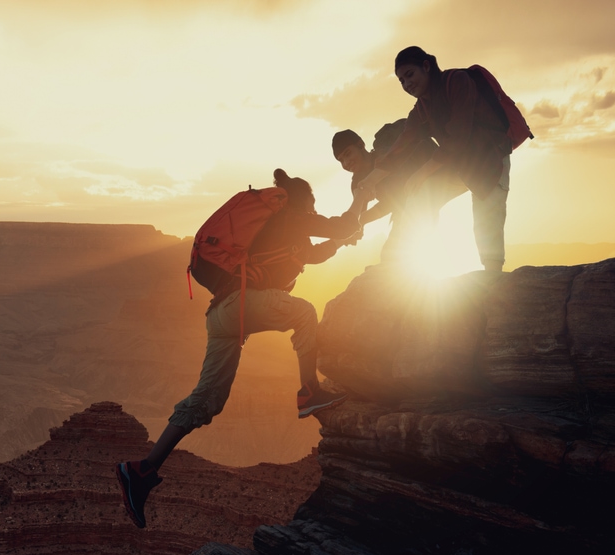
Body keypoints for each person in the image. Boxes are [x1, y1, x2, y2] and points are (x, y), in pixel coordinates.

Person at [115, 169, 363, 529]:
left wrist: (343, 239)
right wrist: (361, 201)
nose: (313, 209)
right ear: (300, 202)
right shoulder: (292, 217)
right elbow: (337, 227)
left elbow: (315, 252)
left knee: (206, 400)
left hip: (221, 315)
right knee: (305, 313)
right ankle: (309, 391)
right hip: (240, 306)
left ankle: (142, 469)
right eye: (311, 203)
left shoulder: (277, 231)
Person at [357, 46, 513, 273]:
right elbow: (401, 147)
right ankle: (400, 264)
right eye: (401, 81)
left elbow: (458, 136)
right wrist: (370, 181)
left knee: (487, 217)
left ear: (427, 66)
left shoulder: (457, 81)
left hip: (490, 157)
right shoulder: (421, 109)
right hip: (457, 164)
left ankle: (492, 276)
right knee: (422, 195)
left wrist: (421, 173)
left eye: (410, 75)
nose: (406, 84)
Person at [332, 122, 465, 263]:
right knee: (390, 254)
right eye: (341, 160)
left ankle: (407, 268)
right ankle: (397, 269)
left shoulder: (388, 150)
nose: (346, 162)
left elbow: (398, 196)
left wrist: (362, 219)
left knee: (407, 230)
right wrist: (354, 228)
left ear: (360, 145)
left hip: (447, 175)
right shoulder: (357, 182)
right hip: (416, 198)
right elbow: (362, 215)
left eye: (348, 154)